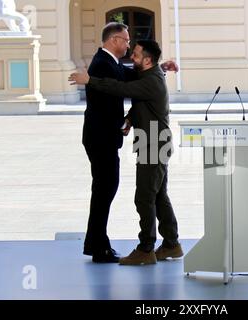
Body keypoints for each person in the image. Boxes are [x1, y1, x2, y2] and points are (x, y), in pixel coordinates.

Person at [69, 40, 183, 265]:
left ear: (148, 60)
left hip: (154, 143)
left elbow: (121, 88)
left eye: (138, 54)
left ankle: (146, 248)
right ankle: (171, 244)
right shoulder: (149, 76)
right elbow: (141, 102)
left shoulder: (150, 80)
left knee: (144, 197)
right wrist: (130, 119)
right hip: (151, 141)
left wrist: (89, 80)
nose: (133, 55)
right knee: (159, 196)